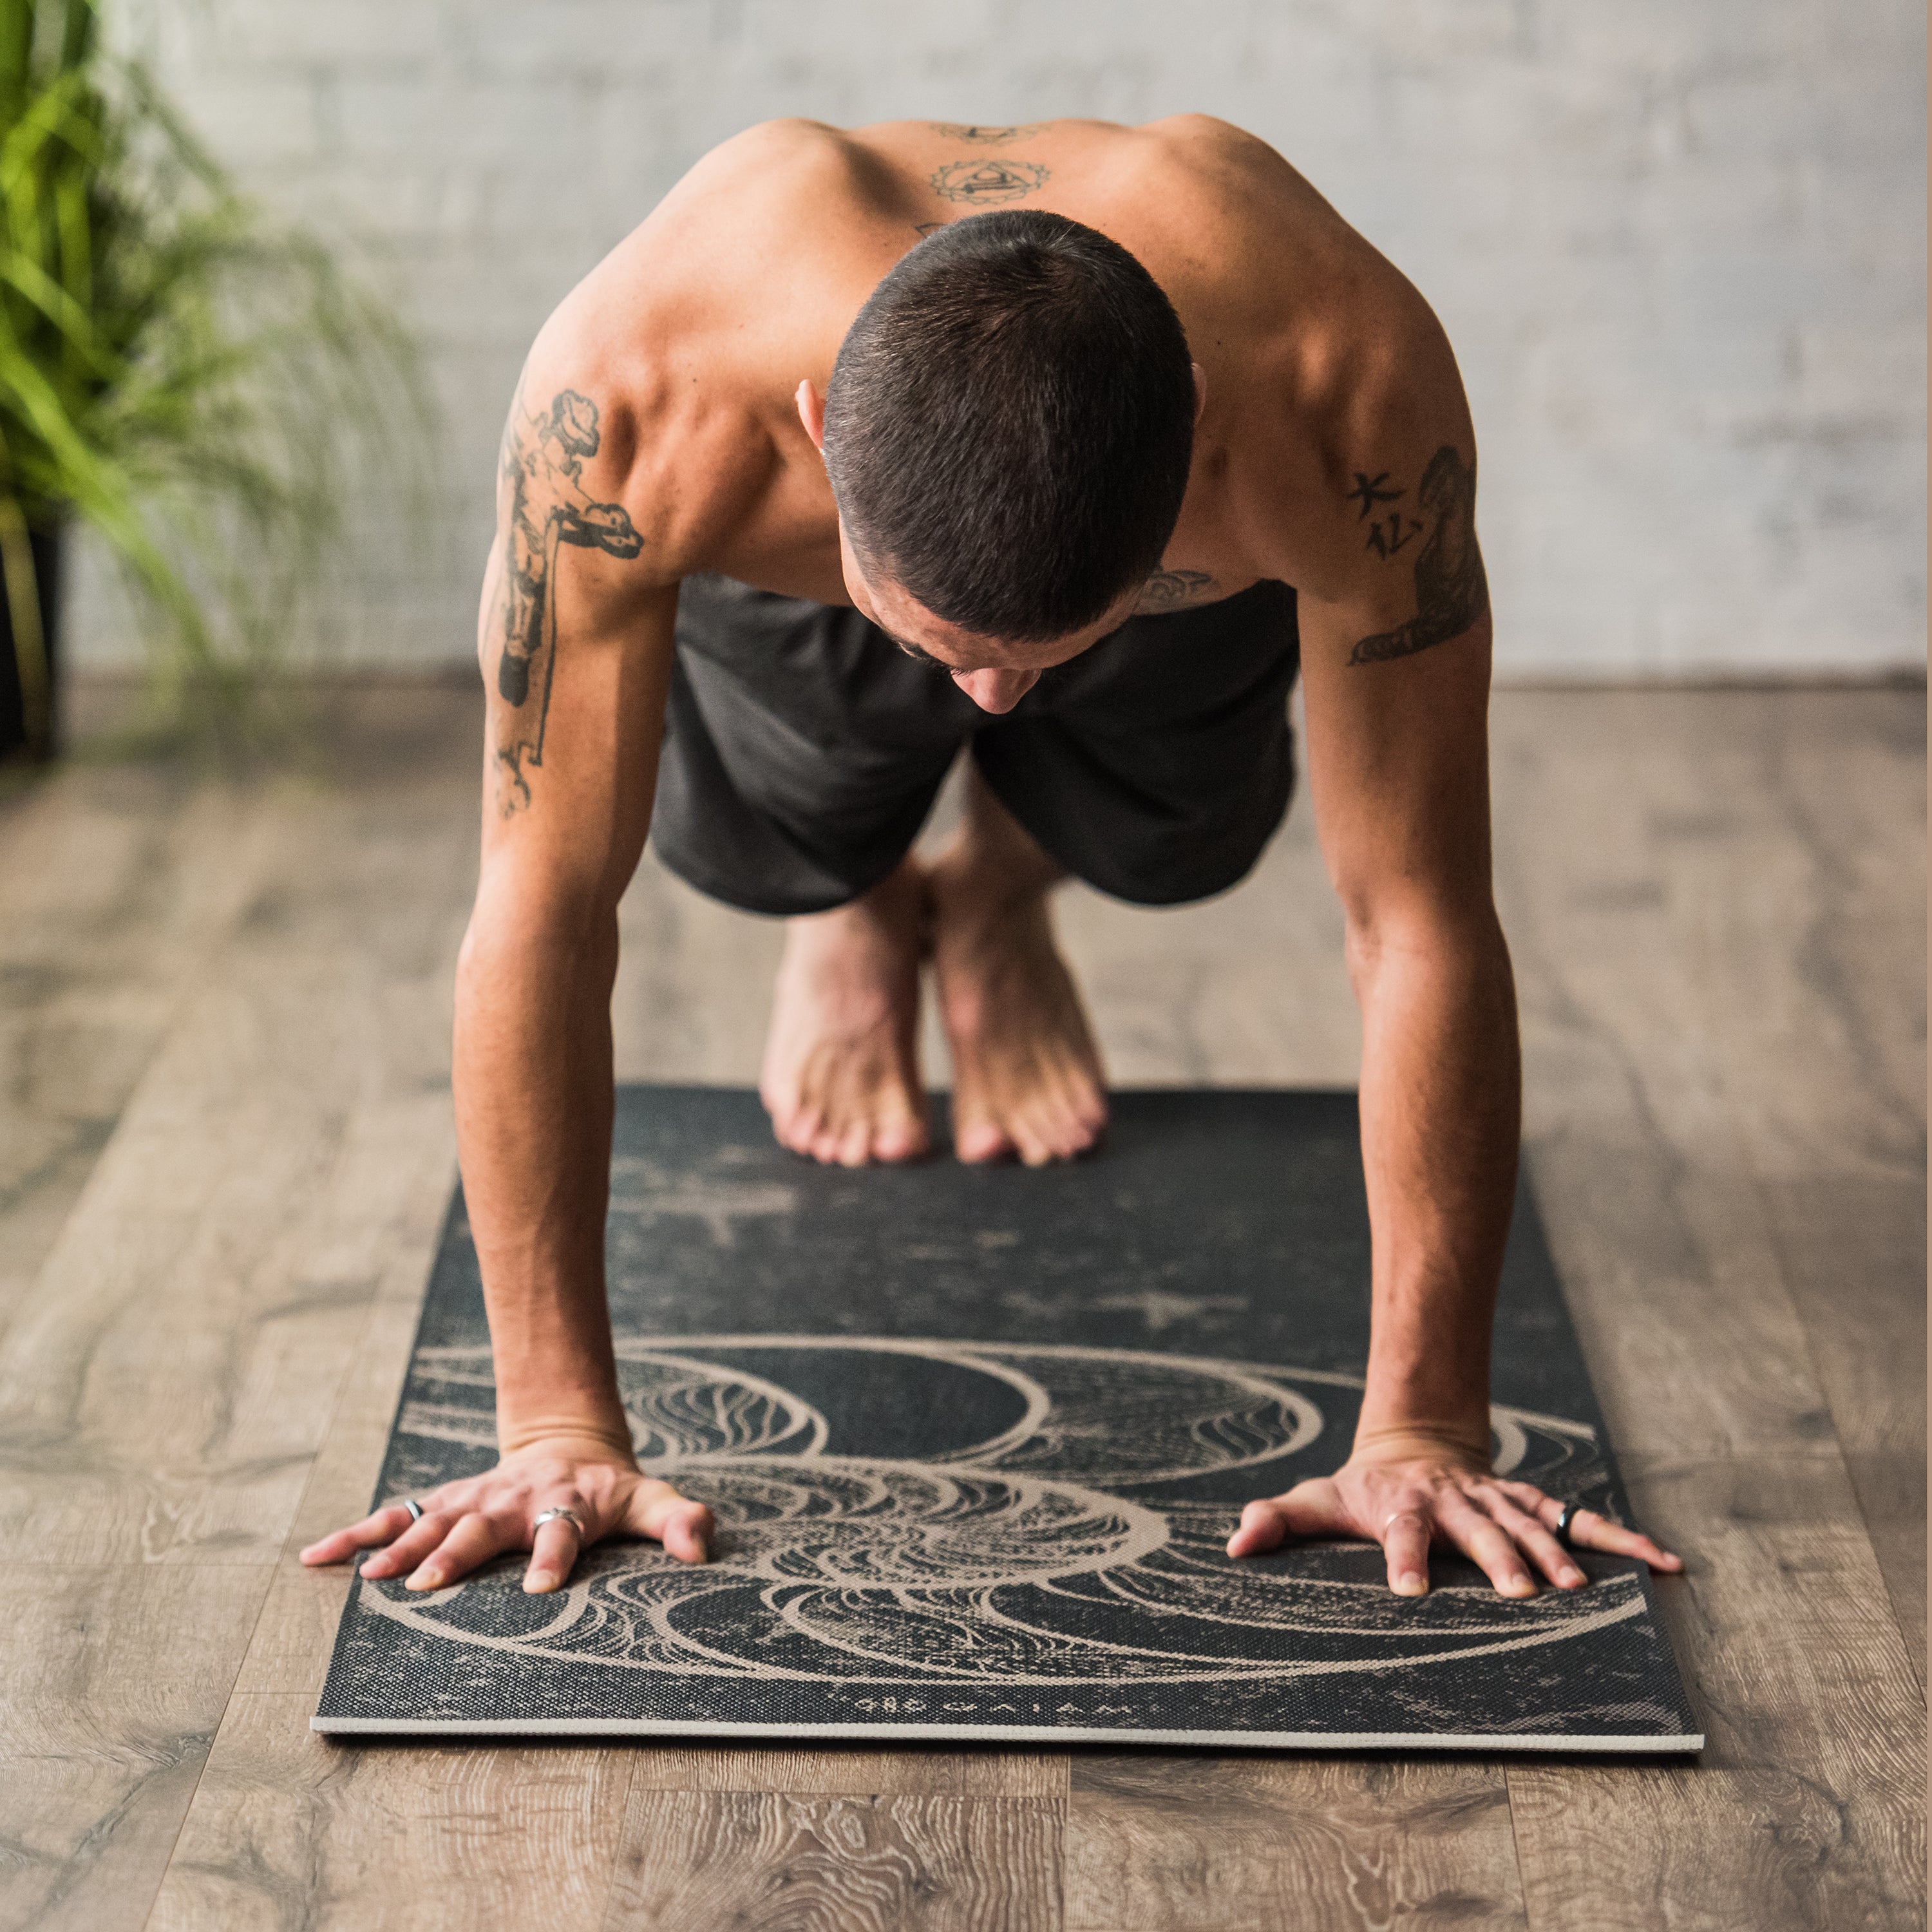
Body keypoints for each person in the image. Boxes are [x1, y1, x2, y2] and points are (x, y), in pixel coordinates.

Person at [301, 115, 1680, 1607]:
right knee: (777, 830)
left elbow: (1418, 918)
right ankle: (856, 900)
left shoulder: (1341, 394)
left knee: (1175, 841)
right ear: (821, 428)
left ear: (1198, 429)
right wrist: (552, 1425)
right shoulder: (634, 397)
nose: (990, 702)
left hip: (1137, 582)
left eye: (1037, 660)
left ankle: (1004, 890)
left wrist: (1425, 1427)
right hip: (797, 585)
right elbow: (541, 911)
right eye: (949, 653)